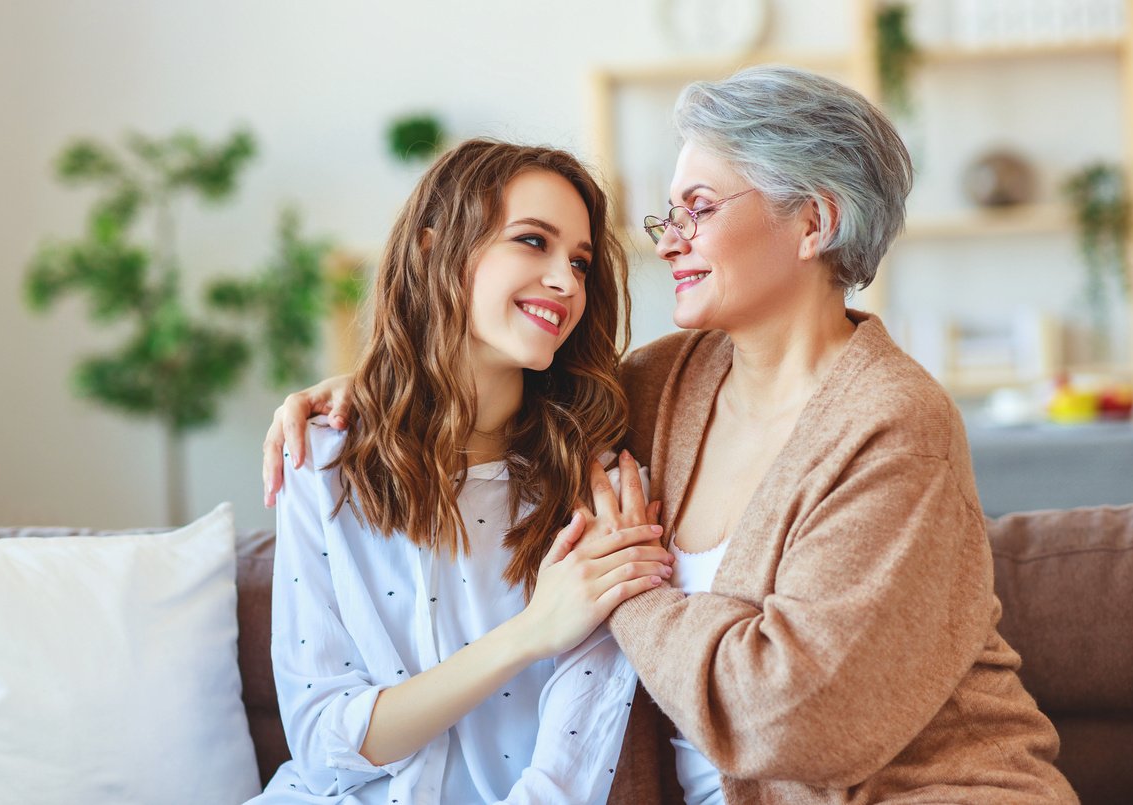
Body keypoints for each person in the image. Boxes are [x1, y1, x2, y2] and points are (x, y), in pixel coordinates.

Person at [262, 67, 1076, 803]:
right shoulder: (658, 386)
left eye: (698, 207)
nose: (667, 239)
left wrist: (633, 594)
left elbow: (800, 720)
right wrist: (358, 397)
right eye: (667, 212)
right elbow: (497, 380)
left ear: (813, 222)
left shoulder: (892, 422)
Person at [251, 138, 674, 805]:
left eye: (581, 261)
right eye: (532, 241)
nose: (566, 281)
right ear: (431, 249)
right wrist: (531, 632)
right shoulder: (322, 460)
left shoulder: (599, 491)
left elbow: (569, 778)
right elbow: (325, 747)